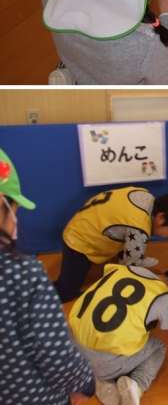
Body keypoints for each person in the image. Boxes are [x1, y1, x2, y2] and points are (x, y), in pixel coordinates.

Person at [0, 148, 95, 405]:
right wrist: (84, 384)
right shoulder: (22, 273)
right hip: (32, 396)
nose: (15, 219)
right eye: (14, 210)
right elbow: (54, 351)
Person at [70, 263, 168, 405]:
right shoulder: (166, 300)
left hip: (70, 351)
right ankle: (136, 385)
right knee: (158, 346)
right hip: (100, 363)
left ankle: (103, 381)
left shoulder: (129, 269)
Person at [54, 185, 168, 303]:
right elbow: (128, 267)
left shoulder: (145, 195)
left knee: (130, 242)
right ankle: (44, 292)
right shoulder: (139, 229)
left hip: (89, 223)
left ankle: (136, 256)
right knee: (67, 292)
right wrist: (152, 276)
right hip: (80, 241)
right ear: (161, 218)